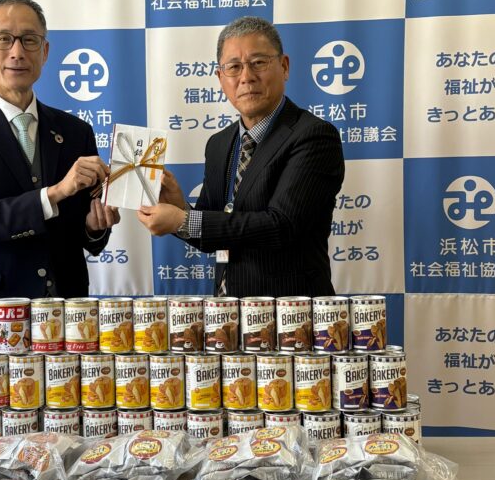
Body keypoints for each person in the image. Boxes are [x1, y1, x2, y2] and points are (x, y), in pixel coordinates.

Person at [0, 0, 120, 299]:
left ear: (45, 52)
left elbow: (86, 234)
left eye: (29, 40)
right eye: (4, 39)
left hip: (66, 305)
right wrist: (56, 192)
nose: (17, 52)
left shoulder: (75, 131)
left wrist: (94, 227)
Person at [137, 16, 344, 298]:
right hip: (227, 312)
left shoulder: (314, 136)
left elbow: (281, 226)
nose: (246, 77)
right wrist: (179, 207)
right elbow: (211, 234)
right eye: (234, 67)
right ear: (220, 78)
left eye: (258, 62)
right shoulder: (219, 144)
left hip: (290, 313)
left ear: (284, 66)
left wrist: (182, 220)